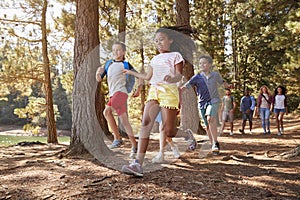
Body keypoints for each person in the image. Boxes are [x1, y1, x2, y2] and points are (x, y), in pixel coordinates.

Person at [121, 27, 197, 177]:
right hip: (154, 91)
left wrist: (172, 78)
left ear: (170, 40)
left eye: (161, 39)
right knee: (145, 124)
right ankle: (137, 164)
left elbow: (178, 76)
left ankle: (187, 134)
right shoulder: (154, 59)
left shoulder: (176, 56)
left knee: (169, 131)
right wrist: (131, 73)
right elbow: (148, 77)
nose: (159, 43)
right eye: (156, 41)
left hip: (169, 93)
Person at [181, 55, 233, 155]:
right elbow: (186, 86)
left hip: (214, 101)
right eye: (200, 63)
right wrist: (177, 89)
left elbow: (223, 83)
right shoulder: (197, 77)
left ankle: (215, 143)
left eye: (204, 63)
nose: (202, 65)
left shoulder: (215, 75)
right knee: (207, 125)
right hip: (202, 103)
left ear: (209, 65)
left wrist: (228, 86)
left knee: (210, 119)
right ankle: (213, 143)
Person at [95, 41, 138, 159]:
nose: (115, 52)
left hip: (121, 92)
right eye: (114, 50)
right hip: (113, 94)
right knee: (124, 121)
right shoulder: (109, 64)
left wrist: (138, 89)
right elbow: (99, 79)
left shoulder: (126, 64)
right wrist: (97, 73)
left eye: (118, 50)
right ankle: (134, 145)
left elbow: (138, 76)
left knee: (106, 112)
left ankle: (117, 138)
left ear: (123, 52)